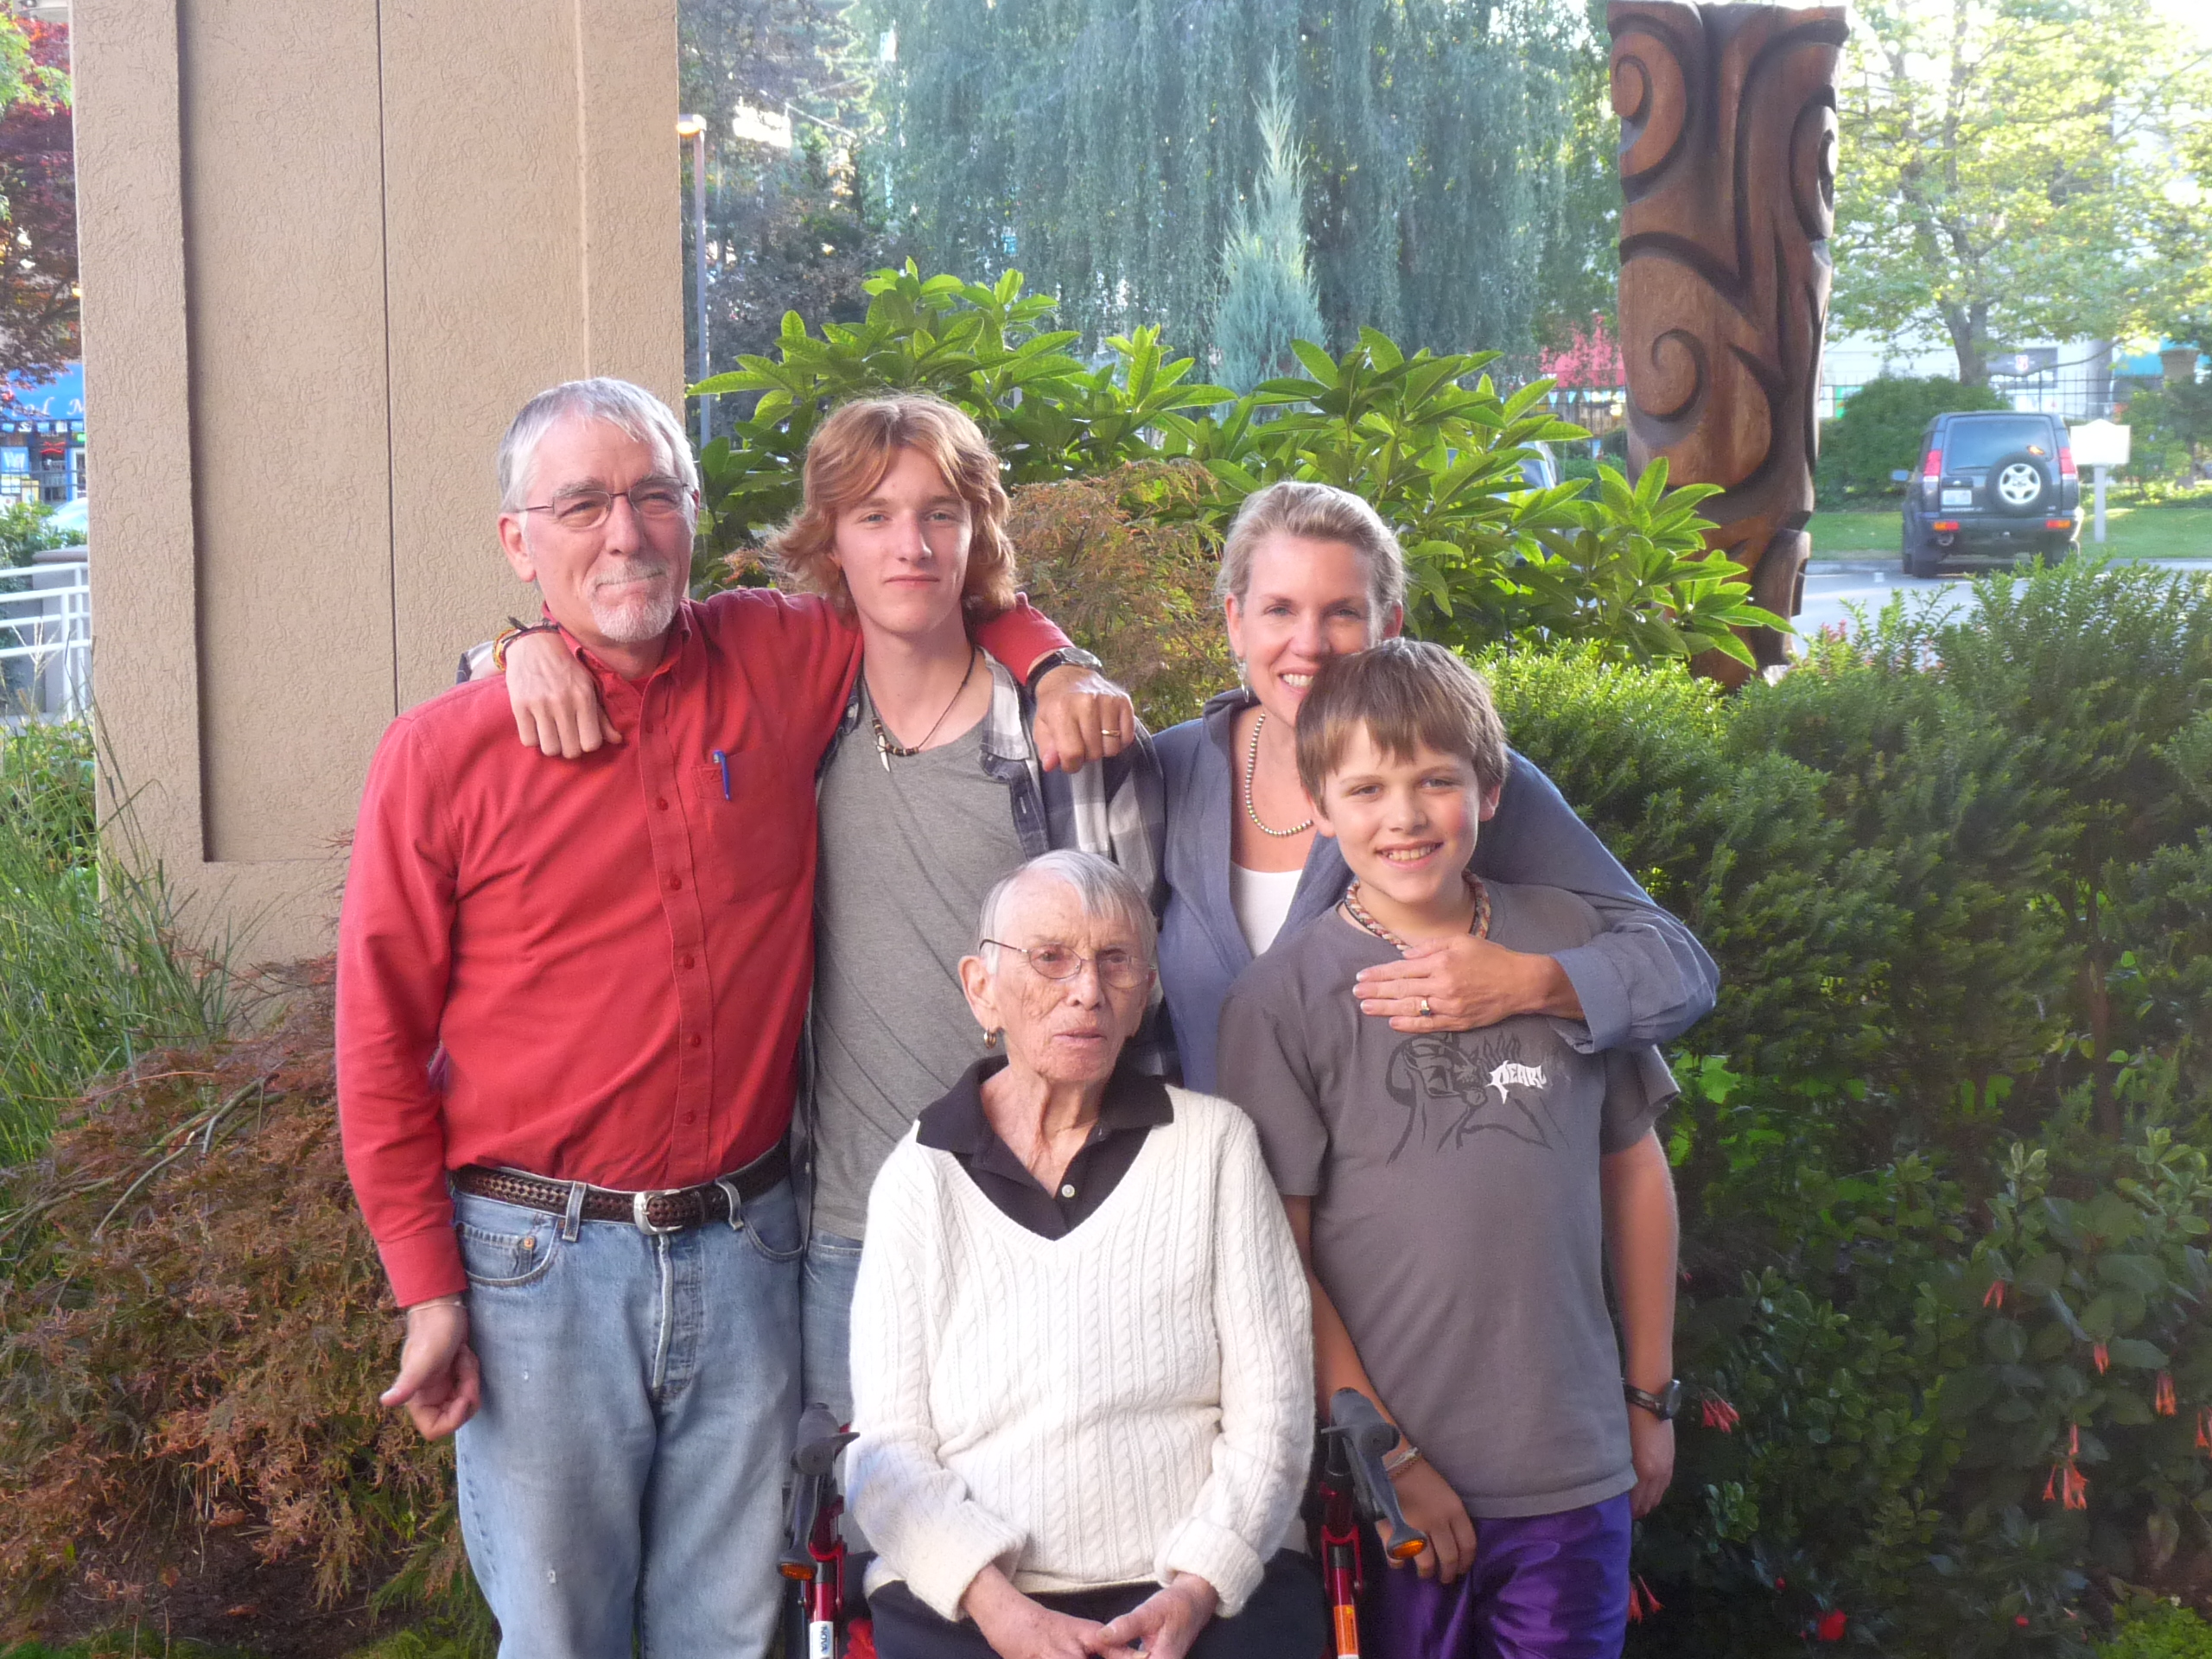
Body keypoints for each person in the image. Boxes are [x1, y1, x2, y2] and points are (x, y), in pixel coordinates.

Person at [335, 377, 1124, 1659]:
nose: (625, 533)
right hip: (540, 1270)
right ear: (516, 540)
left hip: (752, 1252)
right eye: (581, 506)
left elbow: (928, 580)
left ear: (694, 514)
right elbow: (376, 1045)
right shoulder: (442, 755)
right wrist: (427, 1290)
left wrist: (1052, 656)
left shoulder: (778, 655)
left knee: (735, 1629)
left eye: (654, 497)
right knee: (562, 1633)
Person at [493, 392, 1164, 1429]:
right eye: (874, 517)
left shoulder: (1066, 744)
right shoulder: (796, 704)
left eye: (939, 514)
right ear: (829, 541)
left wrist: (1055, 659)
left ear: (977, 531)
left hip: (1043, 1212)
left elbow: (1144, 999)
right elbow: (609, 638)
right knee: (855, 1520)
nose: (911, 546)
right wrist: (521, 642)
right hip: (849, 1228)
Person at [1216, 640, 1681, 1659]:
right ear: (1320, 807)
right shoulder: (1281, 1001)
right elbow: (1275, 1258)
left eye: (1436, 780)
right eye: (1367, 789)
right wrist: (1387, 1453)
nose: (1406, 816)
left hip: (1570, 1463)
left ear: (1491, 790)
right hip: (1395, 1490)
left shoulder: (1568, 942)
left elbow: (1634, 1168)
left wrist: (1650, 1394)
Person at [849, 850, 1321, 1659]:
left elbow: (1273, 1415)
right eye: (1051, 958)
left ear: (1145, 996)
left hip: (1200, 1585)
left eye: (1115, 962)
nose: (1088, 991)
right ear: (982, 989)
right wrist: (1002, 1612)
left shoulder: (1214, 1147)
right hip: (975, 1601)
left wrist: (1197, 1587)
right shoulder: (919, 1177)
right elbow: (887, 1451)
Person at [1154, 480, 1717, 1096]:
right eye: (1280, 610)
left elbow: (1677, 966)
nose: (1309, 645)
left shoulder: (1457, 785)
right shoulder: (1172, 768)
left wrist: (1530, 983)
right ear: (1236, 622)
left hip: (1390, 1157)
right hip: (1205, 1156)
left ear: (1389, 626)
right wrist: (1072, 669)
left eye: (1343, 613)